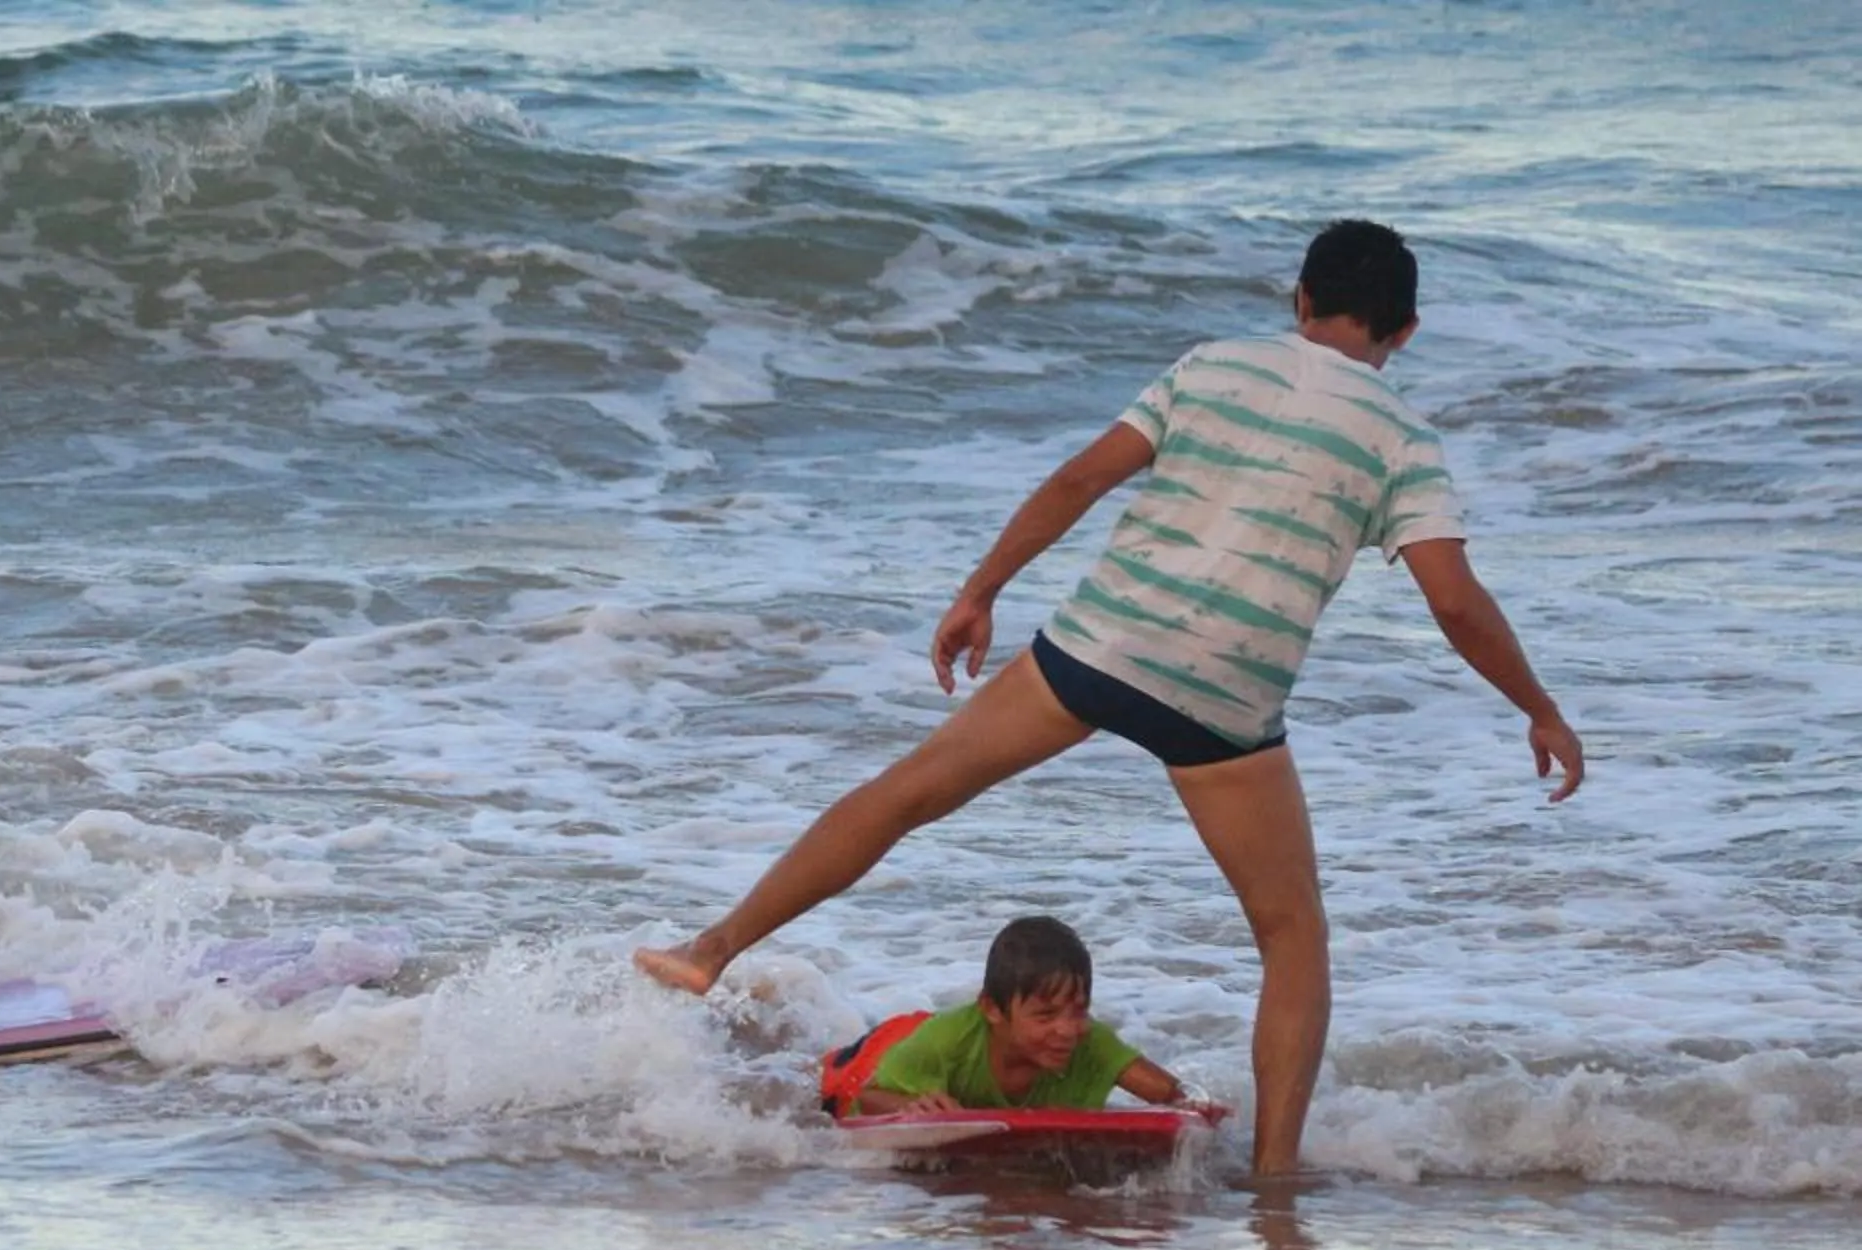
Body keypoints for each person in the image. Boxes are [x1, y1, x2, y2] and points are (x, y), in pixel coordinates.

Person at [635, 218, 1584, 1174]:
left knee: (909, 792)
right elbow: (1454, 601)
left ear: (1298, 301)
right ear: (1405, 331)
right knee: (1292, 937)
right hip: (1221, 705)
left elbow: (1083, 477)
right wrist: (1538, 708)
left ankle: (710, 950)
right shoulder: (1403, 438)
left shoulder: (1212, 365)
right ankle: (1274, 1176)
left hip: (1098, 648)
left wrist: (981, 591)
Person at [820, 915, 1210, 1120]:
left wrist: (1197, 1105)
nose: (1066, 1030)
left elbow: (1176, 1095)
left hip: (927, 1047)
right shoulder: (942, 1043)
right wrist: (907, 1108)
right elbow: (868, 1097)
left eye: (1078, 1010)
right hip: (886, 1050)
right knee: (823, 1088)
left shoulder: (1087, 1039)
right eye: (1045, 1015)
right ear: (993, 1009)